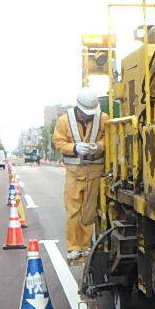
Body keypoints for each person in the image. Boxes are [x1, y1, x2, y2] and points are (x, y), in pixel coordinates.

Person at [52, 89, 107, 262]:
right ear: (78, 109)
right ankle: (74, 247)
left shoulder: (103, 118)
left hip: (95, 171)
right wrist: (75, 148)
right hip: (74, 173)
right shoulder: (64, 121)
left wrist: (98, 146)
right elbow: (58, 142)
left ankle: (86, 245)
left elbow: (110, 138)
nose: (88, 117)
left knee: (89, 211)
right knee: (73, 211)